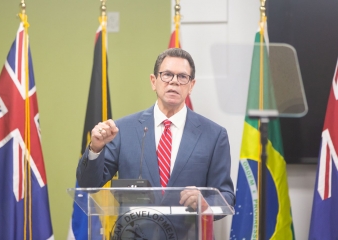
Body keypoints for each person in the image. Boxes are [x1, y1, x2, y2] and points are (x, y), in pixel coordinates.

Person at [76, 48, 235, 238]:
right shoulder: (123, 130)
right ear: (154, 81)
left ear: (191, 85)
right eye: (167, 75)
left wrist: (206, 203)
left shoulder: (214, 135)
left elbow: (227, 197)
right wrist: (95, 149)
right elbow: (88, 184)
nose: (174, 81)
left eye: (182, 77)